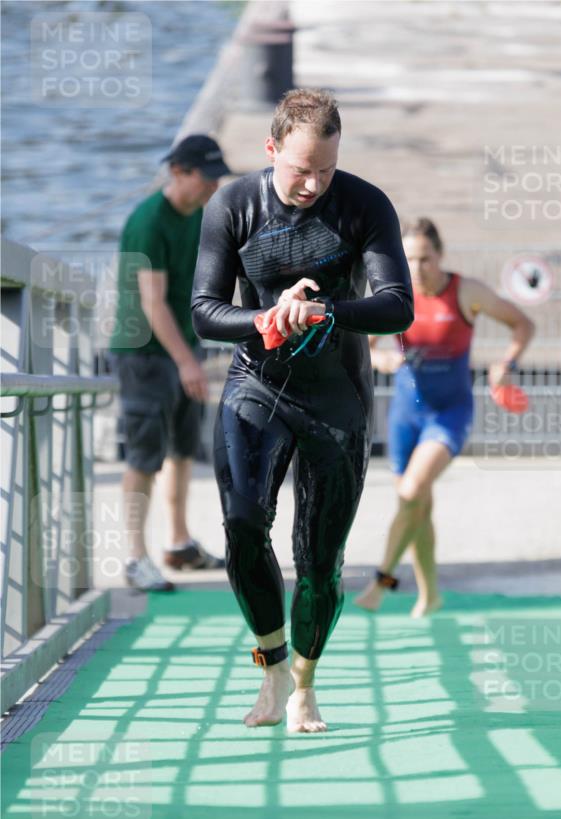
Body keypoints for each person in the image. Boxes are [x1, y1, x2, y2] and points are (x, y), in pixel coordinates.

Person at [191, 89, 413, 733]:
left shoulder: (365, 204)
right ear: (271, 150)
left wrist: (323, 311)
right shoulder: (233, 203)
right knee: (241, 524)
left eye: (326, 169)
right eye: (299, 169)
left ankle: (305, 689)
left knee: (320, 560)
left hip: (336, 395)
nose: (313, 183)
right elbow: (205, 311)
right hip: (256, 384)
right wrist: (266, 317)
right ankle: (272, 666)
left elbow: (398, 304)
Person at [354, 217, 535, 618]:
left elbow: (522, 324)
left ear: (440, 255)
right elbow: (359, 347)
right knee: (419, 505)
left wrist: (507, 363)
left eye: (425, 259)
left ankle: (381, 582)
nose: (417, 269)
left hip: (449, 414)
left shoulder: (466, 292)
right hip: (404, 416)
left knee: (411, 490)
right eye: (409, 260)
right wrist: (378, 357)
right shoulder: (394, 294)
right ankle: (430, 594)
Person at [110, 135, 230, 591]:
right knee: (144, 456)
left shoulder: (199, 216)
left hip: (183, 350)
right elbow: (152, 303)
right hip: (144, 353)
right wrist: (188, 363)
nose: (214, 189)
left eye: (218, 179)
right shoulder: (148, 221)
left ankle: (178, 542)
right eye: (207, 179)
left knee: (182, 449)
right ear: (179, 172)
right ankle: (136, 557)